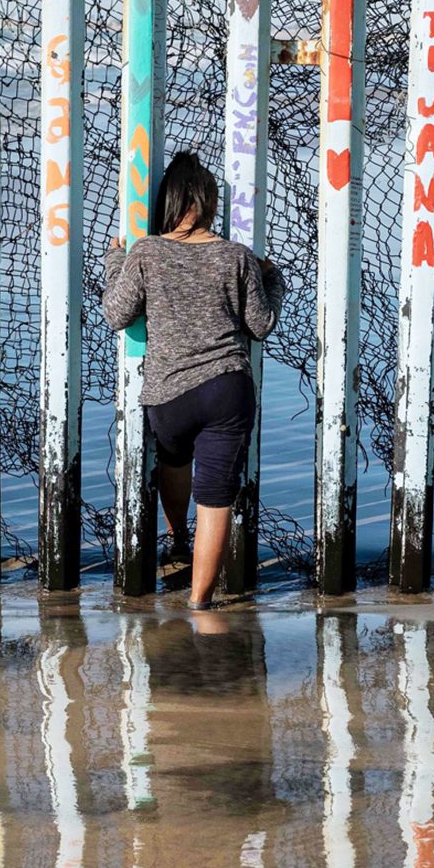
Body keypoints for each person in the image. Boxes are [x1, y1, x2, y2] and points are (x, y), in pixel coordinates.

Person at [102, 151, 286, 608]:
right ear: (208, 204)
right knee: (217, 496)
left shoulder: (146, 253)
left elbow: (115, 314)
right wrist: (274, 279)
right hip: (226, 386)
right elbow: (261, 325)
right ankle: (200, 602)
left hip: (169, 393)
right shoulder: (236, 257)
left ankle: (176, 537)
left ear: (168, 202)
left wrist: (113, 261)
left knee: (174, 457)